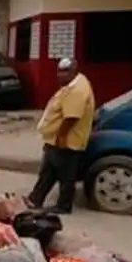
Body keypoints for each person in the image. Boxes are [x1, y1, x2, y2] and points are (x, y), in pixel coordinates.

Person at [27, 58, 95, 215]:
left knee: (66, 175)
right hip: (54, 138)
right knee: (48, 171)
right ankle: (35, 199)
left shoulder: (77, 90)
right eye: (59, 71)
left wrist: (61, 137)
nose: (61, 75)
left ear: (74, 71)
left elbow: (71, 117)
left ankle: (63, 206)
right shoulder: (74, 84)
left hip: (67, 140)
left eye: (66, 71)